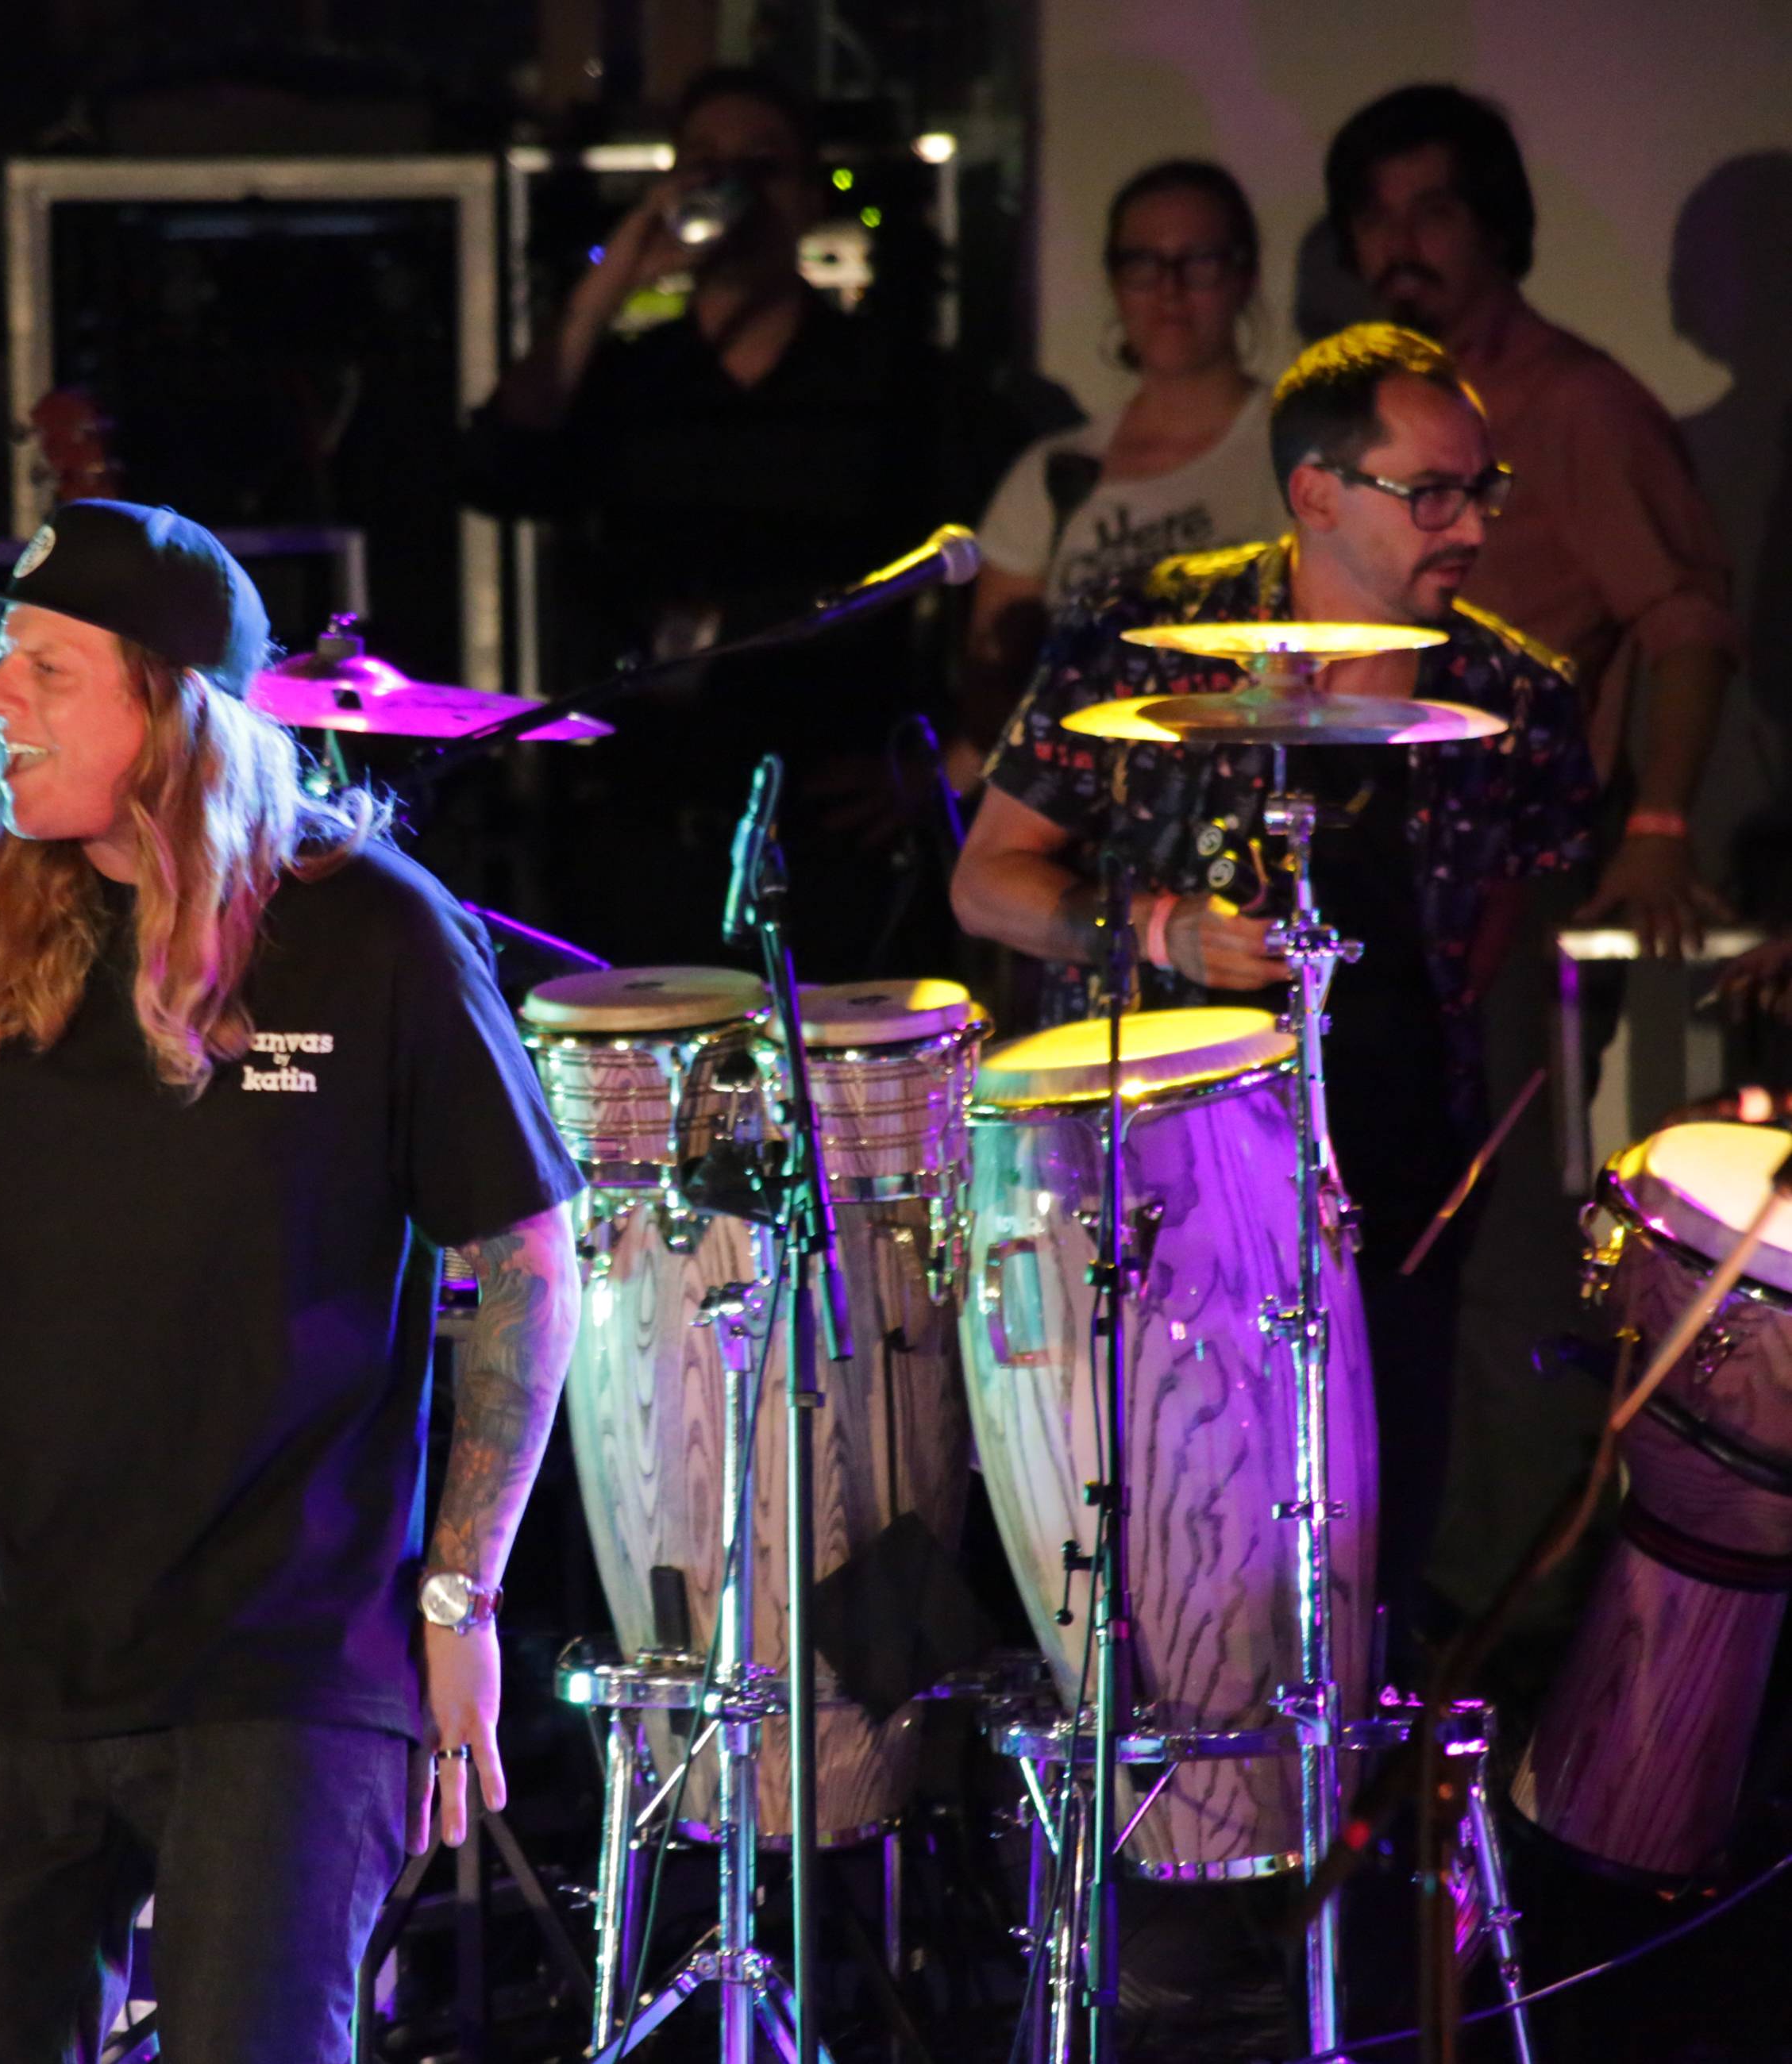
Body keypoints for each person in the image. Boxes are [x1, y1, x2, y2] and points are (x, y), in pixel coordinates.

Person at [0, 502, 584, 2062]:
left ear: (172, 704)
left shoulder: (367, 931)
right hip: (18, 1666)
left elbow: (524, 1261)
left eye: (45, 668)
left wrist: (459, 1593)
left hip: (284, 1662)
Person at [950, 324, 1596, 1630]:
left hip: (1399, 1178)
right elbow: (987, 883)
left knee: (1372, 1559)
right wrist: (1161, 931)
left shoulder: (1514, 696)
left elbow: (1512, 929)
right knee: (1167, 1559)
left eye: (1484, 489)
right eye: (1433, 494)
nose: (1472, 524)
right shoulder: (1145, 635)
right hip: (1154, 1179)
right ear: (1317, 492)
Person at [458, 64, 1029, 977]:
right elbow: (497, 470)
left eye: (762, 166)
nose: (732, 191)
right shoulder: (631, 377)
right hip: (652, 827)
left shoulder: (897, 380)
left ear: (808, 195)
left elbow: (1010, 567)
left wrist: (948, 758)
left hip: (832, 833)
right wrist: (616, 276)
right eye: (704, 164)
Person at [1329, 83, 1736, 956]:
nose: (1400, 247)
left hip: (1514, 845)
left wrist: (1658, 827)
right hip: (1373, 834)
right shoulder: (1359, 411)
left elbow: (1687, 621)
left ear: (1495, 224)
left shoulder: (1576, 402)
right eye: (1375, 219)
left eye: (1432, 214)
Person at [958, 160, 1289, 782]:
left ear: (1244, 274)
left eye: (1199, 262)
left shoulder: (1294, 450)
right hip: (1077, 798)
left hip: (1243, 786)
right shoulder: (1053, 474)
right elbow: (996, 687)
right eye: (1143, 264)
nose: (1169, 289)